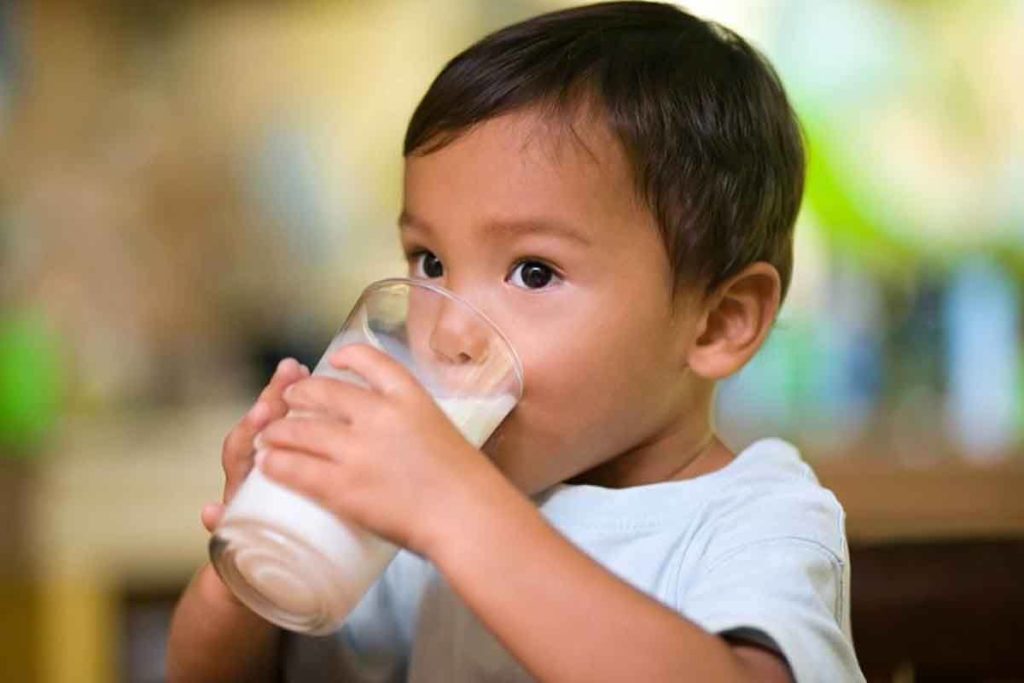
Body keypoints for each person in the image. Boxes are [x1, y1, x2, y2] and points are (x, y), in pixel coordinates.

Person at [167, 2, 863, 681]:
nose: (449, 328)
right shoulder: (424, 506)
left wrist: (455, 509)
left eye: (534, 271)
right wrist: (251, 558)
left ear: (719, 321)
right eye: (429, 262)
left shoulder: (755, 519)